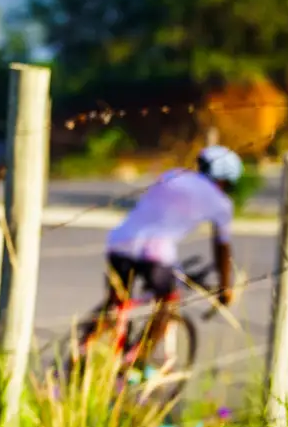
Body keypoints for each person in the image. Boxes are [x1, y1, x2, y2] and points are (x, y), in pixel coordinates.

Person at [97, 144, 241, 355]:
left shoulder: (173, 176)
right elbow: (221, 247)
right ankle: (137, 359)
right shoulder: (220, 202)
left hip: (119, 241)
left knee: (116, 305)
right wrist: (224, 287)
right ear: (224, 180)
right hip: (154, 252)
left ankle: (86, 344)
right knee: (168, 303)